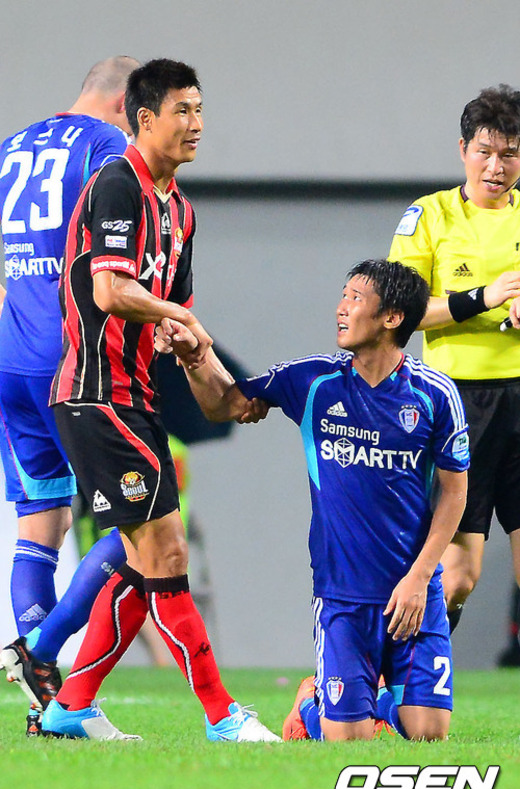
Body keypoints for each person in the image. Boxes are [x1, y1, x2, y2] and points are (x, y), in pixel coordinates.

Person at [40, 58, 280, 743]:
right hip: (95, 394)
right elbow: (112, 290)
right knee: (167, 554)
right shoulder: (117, 182)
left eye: (200, 109)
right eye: (182, 110)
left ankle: (70, 706)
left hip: (134, 396)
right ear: (144, 118)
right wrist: (179, 316)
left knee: (138, 560)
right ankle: (222, 715)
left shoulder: (180, 210)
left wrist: (218, 382)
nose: (196, 124)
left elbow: (173, 321)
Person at [157, 259, 469, 741]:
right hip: (342, 594)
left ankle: (379, 698)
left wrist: (420, 576)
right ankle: (311, 703)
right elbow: (227, 404)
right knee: (348, 743)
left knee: (428, 734)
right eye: (343, 296)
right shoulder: (314, 381)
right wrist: (195, 358)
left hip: (413, 591)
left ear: (392, 318)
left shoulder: (435, 394)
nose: (341, 308)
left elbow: (454, 491)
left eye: (356, 299)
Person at [0, 56, 140, 732]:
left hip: (10, 361)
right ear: (124, 104)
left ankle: (48, 708)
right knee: (144, 514)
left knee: (38, 530)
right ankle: (41, 648)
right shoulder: (106, 146)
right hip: (72, 363)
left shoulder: (11, 148)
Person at [388, 84, 520, 634]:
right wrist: (484, 298)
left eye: (510, 153)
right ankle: (397, 671)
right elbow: (401, 312)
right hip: (457, 404)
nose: (497, 166)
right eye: (485, 152)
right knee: (458, 575)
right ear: (463, 150)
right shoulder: (430, 216)